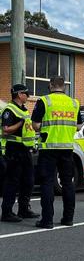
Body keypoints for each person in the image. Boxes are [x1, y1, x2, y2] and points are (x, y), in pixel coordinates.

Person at [31, 76, 82, 229]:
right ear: (64, 87)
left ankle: (47, 220)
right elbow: (79, 127)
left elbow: (35, 125)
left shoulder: (44, 101)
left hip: (48, 148)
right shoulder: (74, 103)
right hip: (67, 149)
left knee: (47, 183)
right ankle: (68, 219)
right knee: (67, 183)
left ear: (50, 85)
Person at [1, 84, 40, 222]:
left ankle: (24, 209)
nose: (28, 96)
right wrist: (20, 124)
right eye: (26, 93)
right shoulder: (9, 110)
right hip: (14, 150)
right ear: (19, 94)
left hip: (25, 150)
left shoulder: (24, 110)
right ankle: (6, 212)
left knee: (28, 181)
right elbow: (6, 129)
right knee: (12, 182)